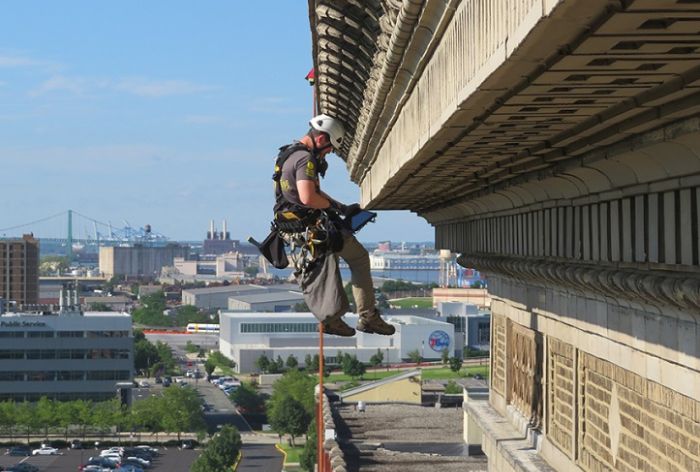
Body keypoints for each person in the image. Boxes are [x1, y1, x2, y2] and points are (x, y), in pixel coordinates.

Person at [274, 113, 395, 337]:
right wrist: (333, 208)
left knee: (330, 265)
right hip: (311, 227)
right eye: (329, 147)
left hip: (294, 227)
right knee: (358, 258)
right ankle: (366, 317)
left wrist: (340, 208)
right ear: (321, 139)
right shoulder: (305, 159)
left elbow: (310, 193)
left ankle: (338, 318)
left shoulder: (287, 155)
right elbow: (308, 197)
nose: (329, 152)